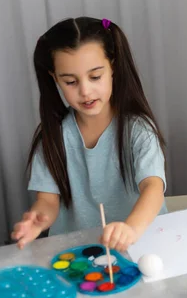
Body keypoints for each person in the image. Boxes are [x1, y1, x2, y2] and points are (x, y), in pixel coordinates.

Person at [12, 17, 167, 252]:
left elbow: (153, 187)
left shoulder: (138, 130)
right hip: (80, 253)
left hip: (142, 245)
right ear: (55, 79)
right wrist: (38, 217)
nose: (85, 91)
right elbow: (48, 201)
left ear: (113, 67)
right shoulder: (52, 136)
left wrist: (131, 229)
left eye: (95, 77)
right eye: (71, 81)